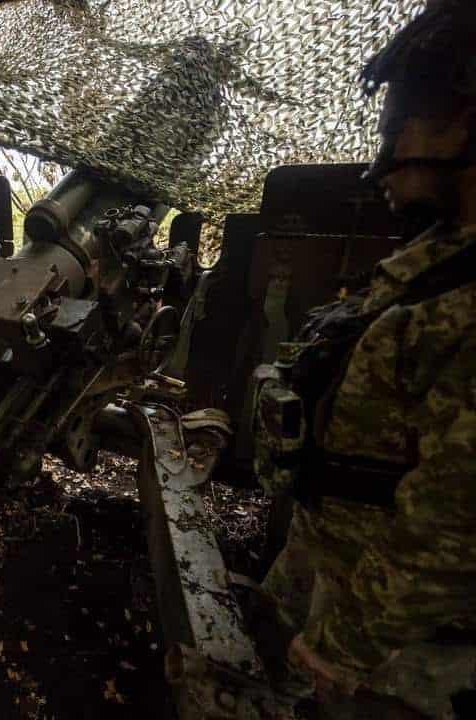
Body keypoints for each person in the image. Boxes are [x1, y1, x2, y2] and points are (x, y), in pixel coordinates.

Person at [251, 1, 476, 717]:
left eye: (394, 131)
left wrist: (346, 646)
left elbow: (452, 526)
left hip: (392, 645)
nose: (378, 163)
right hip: (334, 561)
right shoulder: (441, 256)